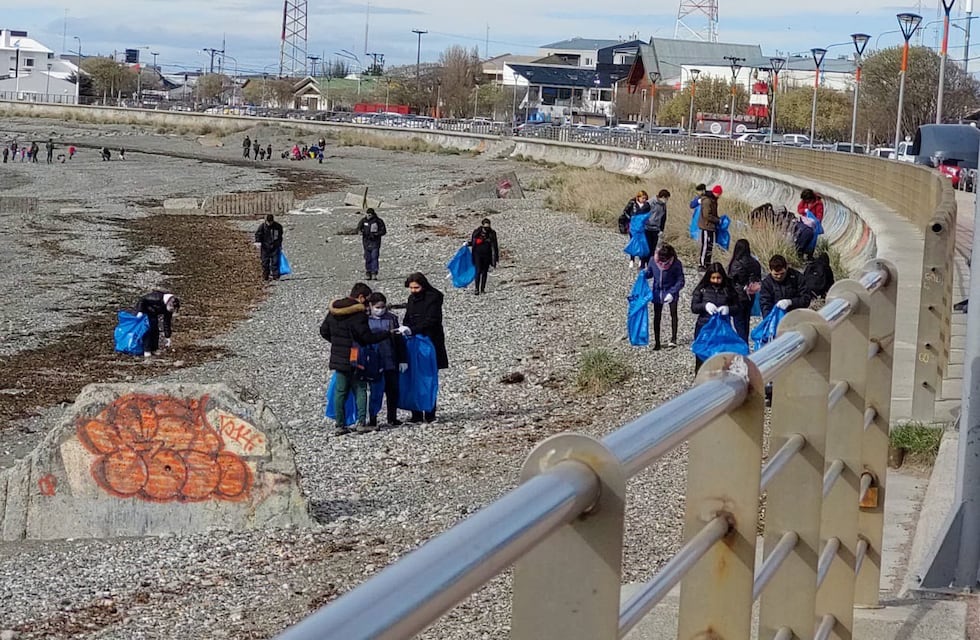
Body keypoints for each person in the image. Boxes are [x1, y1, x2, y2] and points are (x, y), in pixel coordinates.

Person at [320, 283, 392, 435]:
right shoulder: (358, 314)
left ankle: (339, 425)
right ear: (360, 297)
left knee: (340, 391)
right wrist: (386, 334)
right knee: (360, 388)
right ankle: (361, 423)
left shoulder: (334, 310)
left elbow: (324, 330)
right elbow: (365, 337)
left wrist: (337, 343)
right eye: (366, 300)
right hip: (354, 356)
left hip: (338, 356)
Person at [400, 272, 448, 423]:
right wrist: (406, 329)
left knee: (427, 377)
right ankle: (416, 413)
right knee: (413, 376)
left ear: (423, 285)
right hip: (413, 340)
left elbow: (432, 320)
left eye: (416, 287)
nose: (413, 290)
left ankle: (429, 413)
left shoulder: (433, 298)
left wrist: (412, 329)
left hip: (430, 341)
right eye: (411, 288)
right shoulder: (412, 299)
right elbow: (408, 317)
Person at [366, 292, 408, 428]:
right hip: (373, 361)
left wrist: (403, 359)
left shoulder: (392, 319)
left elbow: (399, 340)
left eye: (383, 307)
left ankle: (392, 417)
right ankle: (373, 418)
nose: (380, 309)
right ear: (371, 306)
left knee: (393, 391)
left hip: (391, 359)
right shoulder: (365, 320)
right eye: (377, 307)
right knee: (375, 392)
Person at [690, 263, 739, 373]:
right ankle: (700, 380)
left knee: (722, 356)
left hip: (723, 329)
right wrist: (705, 306)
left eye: (718, 278)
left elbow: (738, 308)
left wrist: (728, 309)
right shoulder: (702, 289)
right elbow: (694, 307)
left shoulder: (728, 290)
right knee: (702, 355)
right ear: (709, 277)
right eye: (713, 278)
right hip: (704, 327)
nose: (716, 281)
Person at [645, 242, 685, 350]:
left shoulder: (676, 264)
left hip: (671, 291)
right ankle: (657, 342)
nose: (663, 261)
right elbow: (649, 273)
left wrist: (672, 292)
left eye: (666, 259)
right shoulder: (653, 260)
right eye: (661, 259)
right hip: (658, 292)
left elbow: (681, 281)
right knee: (657, 316)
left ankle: (673, 339)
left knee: (673, 314)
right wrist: (643, 274)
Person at [727, 239, 763, 344]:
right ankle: (745, 341)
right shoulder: (755, 262)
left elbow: (732, 280)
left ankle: (743, 346)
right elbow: (758, 278)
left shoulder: (736, 263)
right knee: (746, 320)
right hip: (751, 295)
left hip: (738, 296)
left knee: (739, 322)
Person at [136, 291, 180, 358]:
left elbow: (167, 323)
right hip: (145, 312)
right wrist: (140, 311)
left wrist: (167, 337)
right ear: (169, 304)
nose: (171, 311)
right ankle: (146, 350)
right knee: (148, 330)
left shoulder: (169, 309)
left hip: (153, 314)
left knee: (156, 330)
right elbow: (142, 300)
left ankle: (154, 349)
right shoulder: (156, 298)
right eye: (171, 309)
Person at [468, 218, 500, 295]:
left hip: (487, 255)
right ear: (482, 226)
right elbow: (473, 242)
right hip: (477, 255)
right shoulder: (477, 232)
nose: (487, 229)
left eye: (488, 227)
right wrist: (467, 244)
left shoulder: (492, 233)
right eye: (485, 227)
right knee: (478, 271)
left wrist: (496, 258)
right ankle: (476, 289)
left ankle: (482, 289)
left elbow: (495, 246)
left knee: (485, 272)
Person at [641, 189, 670, 269]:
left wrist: (662, 229)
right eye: (666, 198)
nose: (666, 200)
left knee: (653, 248)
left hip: (656, 229)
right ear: (663, 197)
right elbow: (642, 214)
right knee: (646, 247)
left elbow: (664, 217)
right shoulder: (650, 203)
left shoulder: (663, 205)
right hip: (647, 228)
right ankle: (643, 264)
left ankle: (650, 265)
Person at [356, 208, 387, 280]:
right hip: (366, 242)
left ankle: (374, 273)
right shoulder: (363, 221)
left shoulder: (378, 221)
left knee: (374, 257)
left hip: (375, 242)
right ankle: (368, 272)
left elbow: (383, 231)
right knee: (367, 258)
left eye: (370, 214)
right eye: (367, 214)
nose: (368, 216)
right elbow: (358, 228)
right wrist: (360, 232)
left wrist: (376, 234)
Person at [697, 185, 722, 270]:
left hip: (711, 226)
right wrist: (717, 220)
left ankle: (707, 263)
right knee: (706, 245)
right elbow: (707, 215)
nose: (719, 196)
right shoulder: (707, 201)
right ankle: (702, 264)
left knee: (710, 245)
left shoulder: (713, 200)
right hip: (706, 226)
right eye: (719, 194)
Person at [254, 214, 284, 281]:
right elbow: (258, 234)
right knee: (265, 262)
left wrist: (279, 244)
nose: (269, 223)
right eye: (268, 221)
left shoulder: (278, 226)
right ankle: (265, 276)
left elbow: (280, 236)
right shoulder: (262, 226)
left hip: (275, 246)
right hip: (265, 247)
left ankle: (276, 276)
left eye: (270, 222)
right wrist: (257, 242)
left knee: (275, 262)